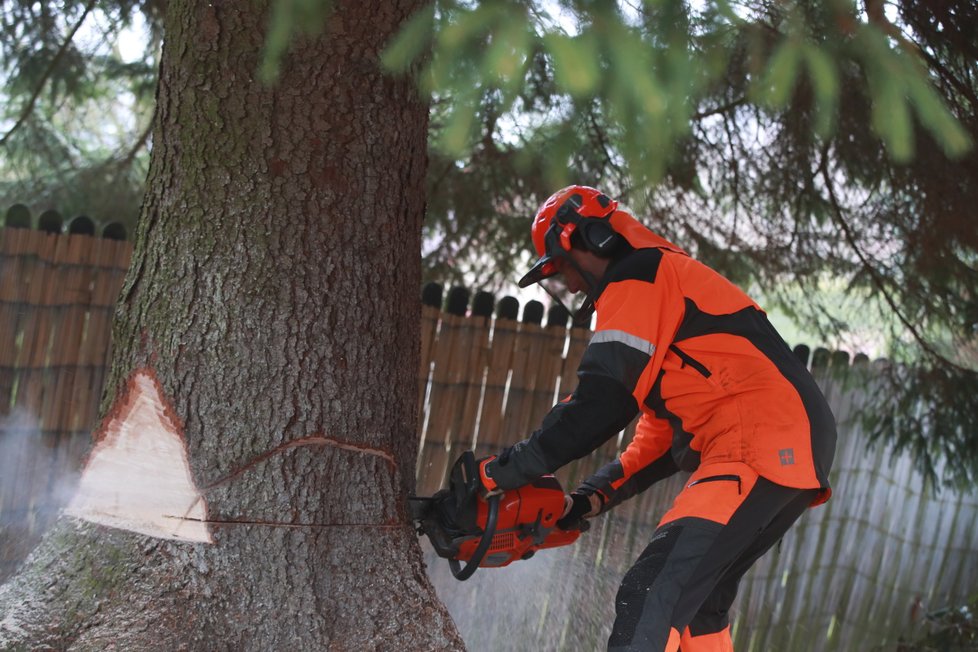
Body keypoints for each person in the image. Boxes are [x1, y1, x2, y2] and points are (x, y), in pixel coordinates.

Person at [478, 185, 837, 652]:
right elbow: (660, 437)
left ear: (592, 238)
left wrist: (507, 470)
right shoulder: (662, 285)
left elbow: (602, 400)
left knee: (650, 593)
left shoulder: (639, 276)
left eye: (563, 267)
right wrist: (586, 501)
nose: (568, 284)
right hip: (787, 443)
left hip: (760, 442)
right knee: (699, 608)